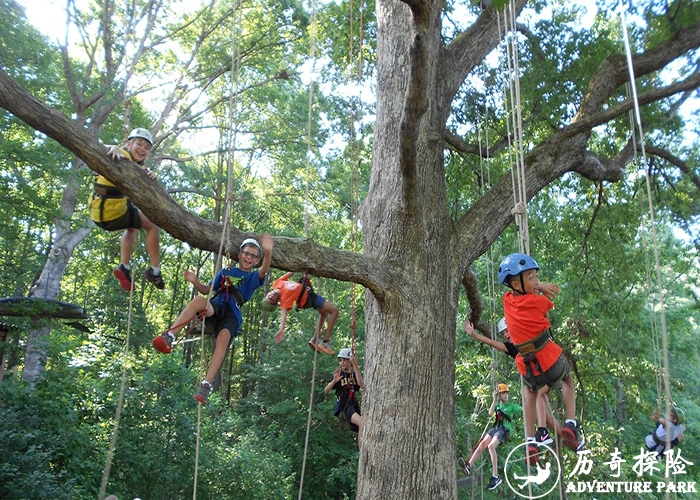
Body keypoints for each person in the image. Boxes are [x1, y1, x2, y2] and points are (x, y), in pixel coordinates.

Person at [152, 235, 273, 404]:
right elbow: (207, 289)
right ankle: (169, 336)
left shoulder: (252, 278)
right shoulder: (225, 272)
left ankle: (206, 385)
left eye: (253, 256)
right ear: (239, 254)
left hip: (232, 314)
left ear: (257, 260)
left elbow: (264, 270)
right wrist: (195, 281)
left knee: (223, 338)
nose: (249, 257)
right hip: (216, 307)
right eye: (246, 253)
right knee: (198, 301)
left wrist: (268, 252)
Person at [498, 252, 583, 463]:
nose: (536, 281)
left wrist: (535, 285)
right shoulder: (538, 301)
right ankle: (570, 423)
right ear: (517, 283)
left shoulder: (507, 300)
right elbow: (546, 314)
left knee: (530, 392)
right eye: (532, 278)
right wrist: (542, 289)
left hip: (527, 367)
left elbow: (522, 292)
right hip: (548, 358)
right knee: (567, 379)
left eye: (537, 277)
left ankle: (530, 441)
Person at [89, 127, 164, 291]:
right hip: (111, 211)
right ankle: (155, 271)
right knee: (152, 224)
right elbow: (98, 147)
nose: (142, 149)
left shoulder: (135, 165)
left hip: (99, 212)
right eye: (139, 144)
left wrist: (150, 174)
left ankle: (125, 266)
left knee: (133, 226)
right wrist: (112, 147)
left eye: (146, 147)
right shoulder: (121, 154)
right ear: (129, 143)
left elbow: (142, 173)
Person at [464, 317, 561, 443]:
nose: (505, 335)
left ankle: (542, 432)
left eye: (507, 330)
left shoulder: (526, 335)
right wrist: (473, 334)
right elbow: (491, 342)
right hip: (539, 376)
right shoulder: (510, 347)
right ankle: (551, 434)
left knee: (533, 394)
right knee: (529, 394)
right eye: (503, 333)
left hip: (549, 368)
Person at [458, 383, 521, 491]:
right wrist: (494, 399)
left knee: (491, 446)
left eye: (507, 393)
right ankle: (469, 466)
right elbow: (490, 413)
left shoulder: (511, 406)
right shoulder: (497, 405)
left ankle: (495, 476)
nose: (506, 396)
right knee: (483, 444)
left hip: (504, 429)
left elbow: (522, 409)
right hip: (495, 428)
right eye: (503, 394)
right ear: (499, 395)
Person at [262, 272, 339, 355]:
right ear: (276, 302)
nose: (270, 296)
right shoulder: (284, 300)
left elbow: (290, 272)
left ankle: (315, 339)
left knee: (324, 313)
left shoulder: (277, 283)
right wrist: (281, 329)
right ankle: (325, 342)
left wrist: (298, 267)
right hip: (308, 298)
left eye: (268, 297)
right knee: (335, 311)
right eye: (271, 300)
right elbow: (284, 314)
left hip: (307, 293)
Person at [324, 347, 363, 446]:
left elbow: (361, 385)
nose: (341, 363)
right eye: (340, 360)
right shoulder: (339, 374)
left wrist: (355, 366)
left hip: (353, 405)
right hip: (343, 407)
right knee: (362, 423)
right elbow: (326, 391)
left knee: (363, 426)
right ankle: (362, 452)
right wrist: (334, 381)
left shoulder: (354, 374)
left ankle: (362, 447)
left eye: (344, 360)